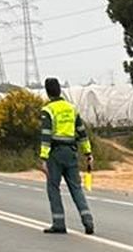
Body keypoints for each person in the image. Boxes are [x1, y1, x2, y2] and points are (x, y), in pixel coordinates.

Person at [38, 77, 94, 235]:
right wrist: (88, 153)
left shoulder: (48, 110)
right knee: (76, 188)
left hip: (55, 154)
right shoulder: (71, 108)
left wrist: (43, 158)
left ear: (48, 92)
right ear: (59, 90)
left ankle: (59, 223)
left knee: (53, 187)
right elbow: (82, 133)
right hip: (71, 152)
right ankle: (88, 220)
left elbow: (46, 135)